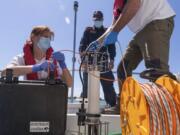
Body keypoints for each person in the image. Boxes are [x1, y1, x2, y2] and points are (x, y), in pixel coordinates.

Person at [89, 0, 175, 113]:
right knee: (122, 69)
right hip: (140, 31)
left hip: (157, 19)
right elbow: (112, 26)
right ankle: (124, 105)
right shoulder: (116, 5)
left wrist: (115, 32)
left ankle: (166, 111)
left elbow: (134, 4)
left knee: (157, 70)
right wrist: (97, 42)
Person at [2, 25, 72, 87]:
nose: (48, 40)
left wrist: (63, 65)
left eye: (50, 38)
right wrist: (37, 67)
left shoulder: (54, 60)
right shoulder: (21, 58)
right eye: (45, 36)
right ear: (33, 37)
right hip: (31, 97)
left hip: (51, 98)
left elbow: (69, 84)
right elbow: (4, 72)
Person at [79, 11, 117, 108]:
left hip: (104, 63)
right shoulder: (88, 31)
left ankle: (112, 105)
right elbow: (82, 45)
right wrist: (83, 60)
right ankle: (84, 106)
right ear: (93, 19)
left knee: (108, 83)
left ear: (102, 19)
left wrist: (112, 60)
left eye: (99, 19)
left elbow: (111, 46)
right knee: (87, 86)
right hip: (89, 62)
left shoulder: (107, 31)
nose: (97, 21)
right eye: (96, 19)